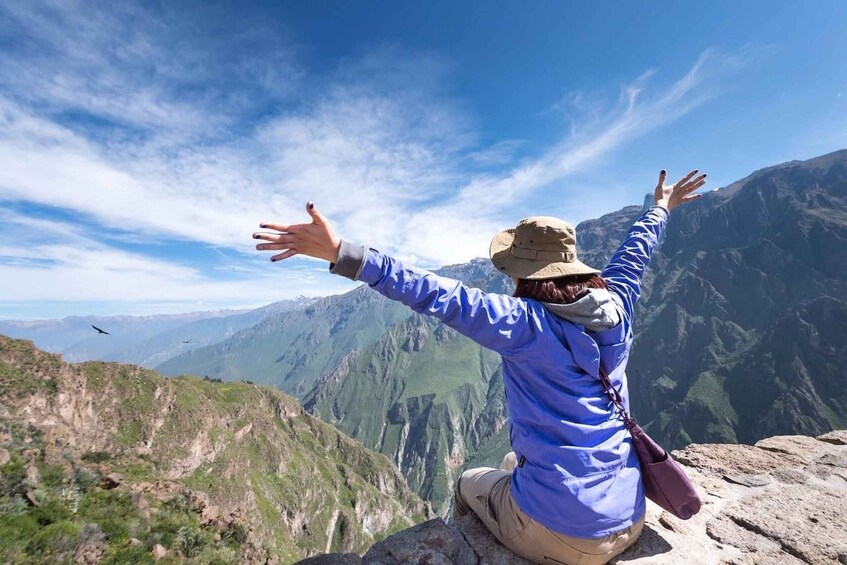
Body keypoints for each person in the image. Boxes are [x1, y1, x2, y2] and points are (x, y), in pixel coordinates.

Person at [254, 169, 706, 565]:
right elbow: (635, 254)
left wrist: (341, 251)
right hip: (629, 518)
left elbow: (435, 293)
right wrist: (660, 208)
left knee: (471, 480)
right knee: (512, 463)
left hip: (563, 538)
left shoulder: (523, 324)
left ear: (524, 273)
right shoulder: (618, 304)